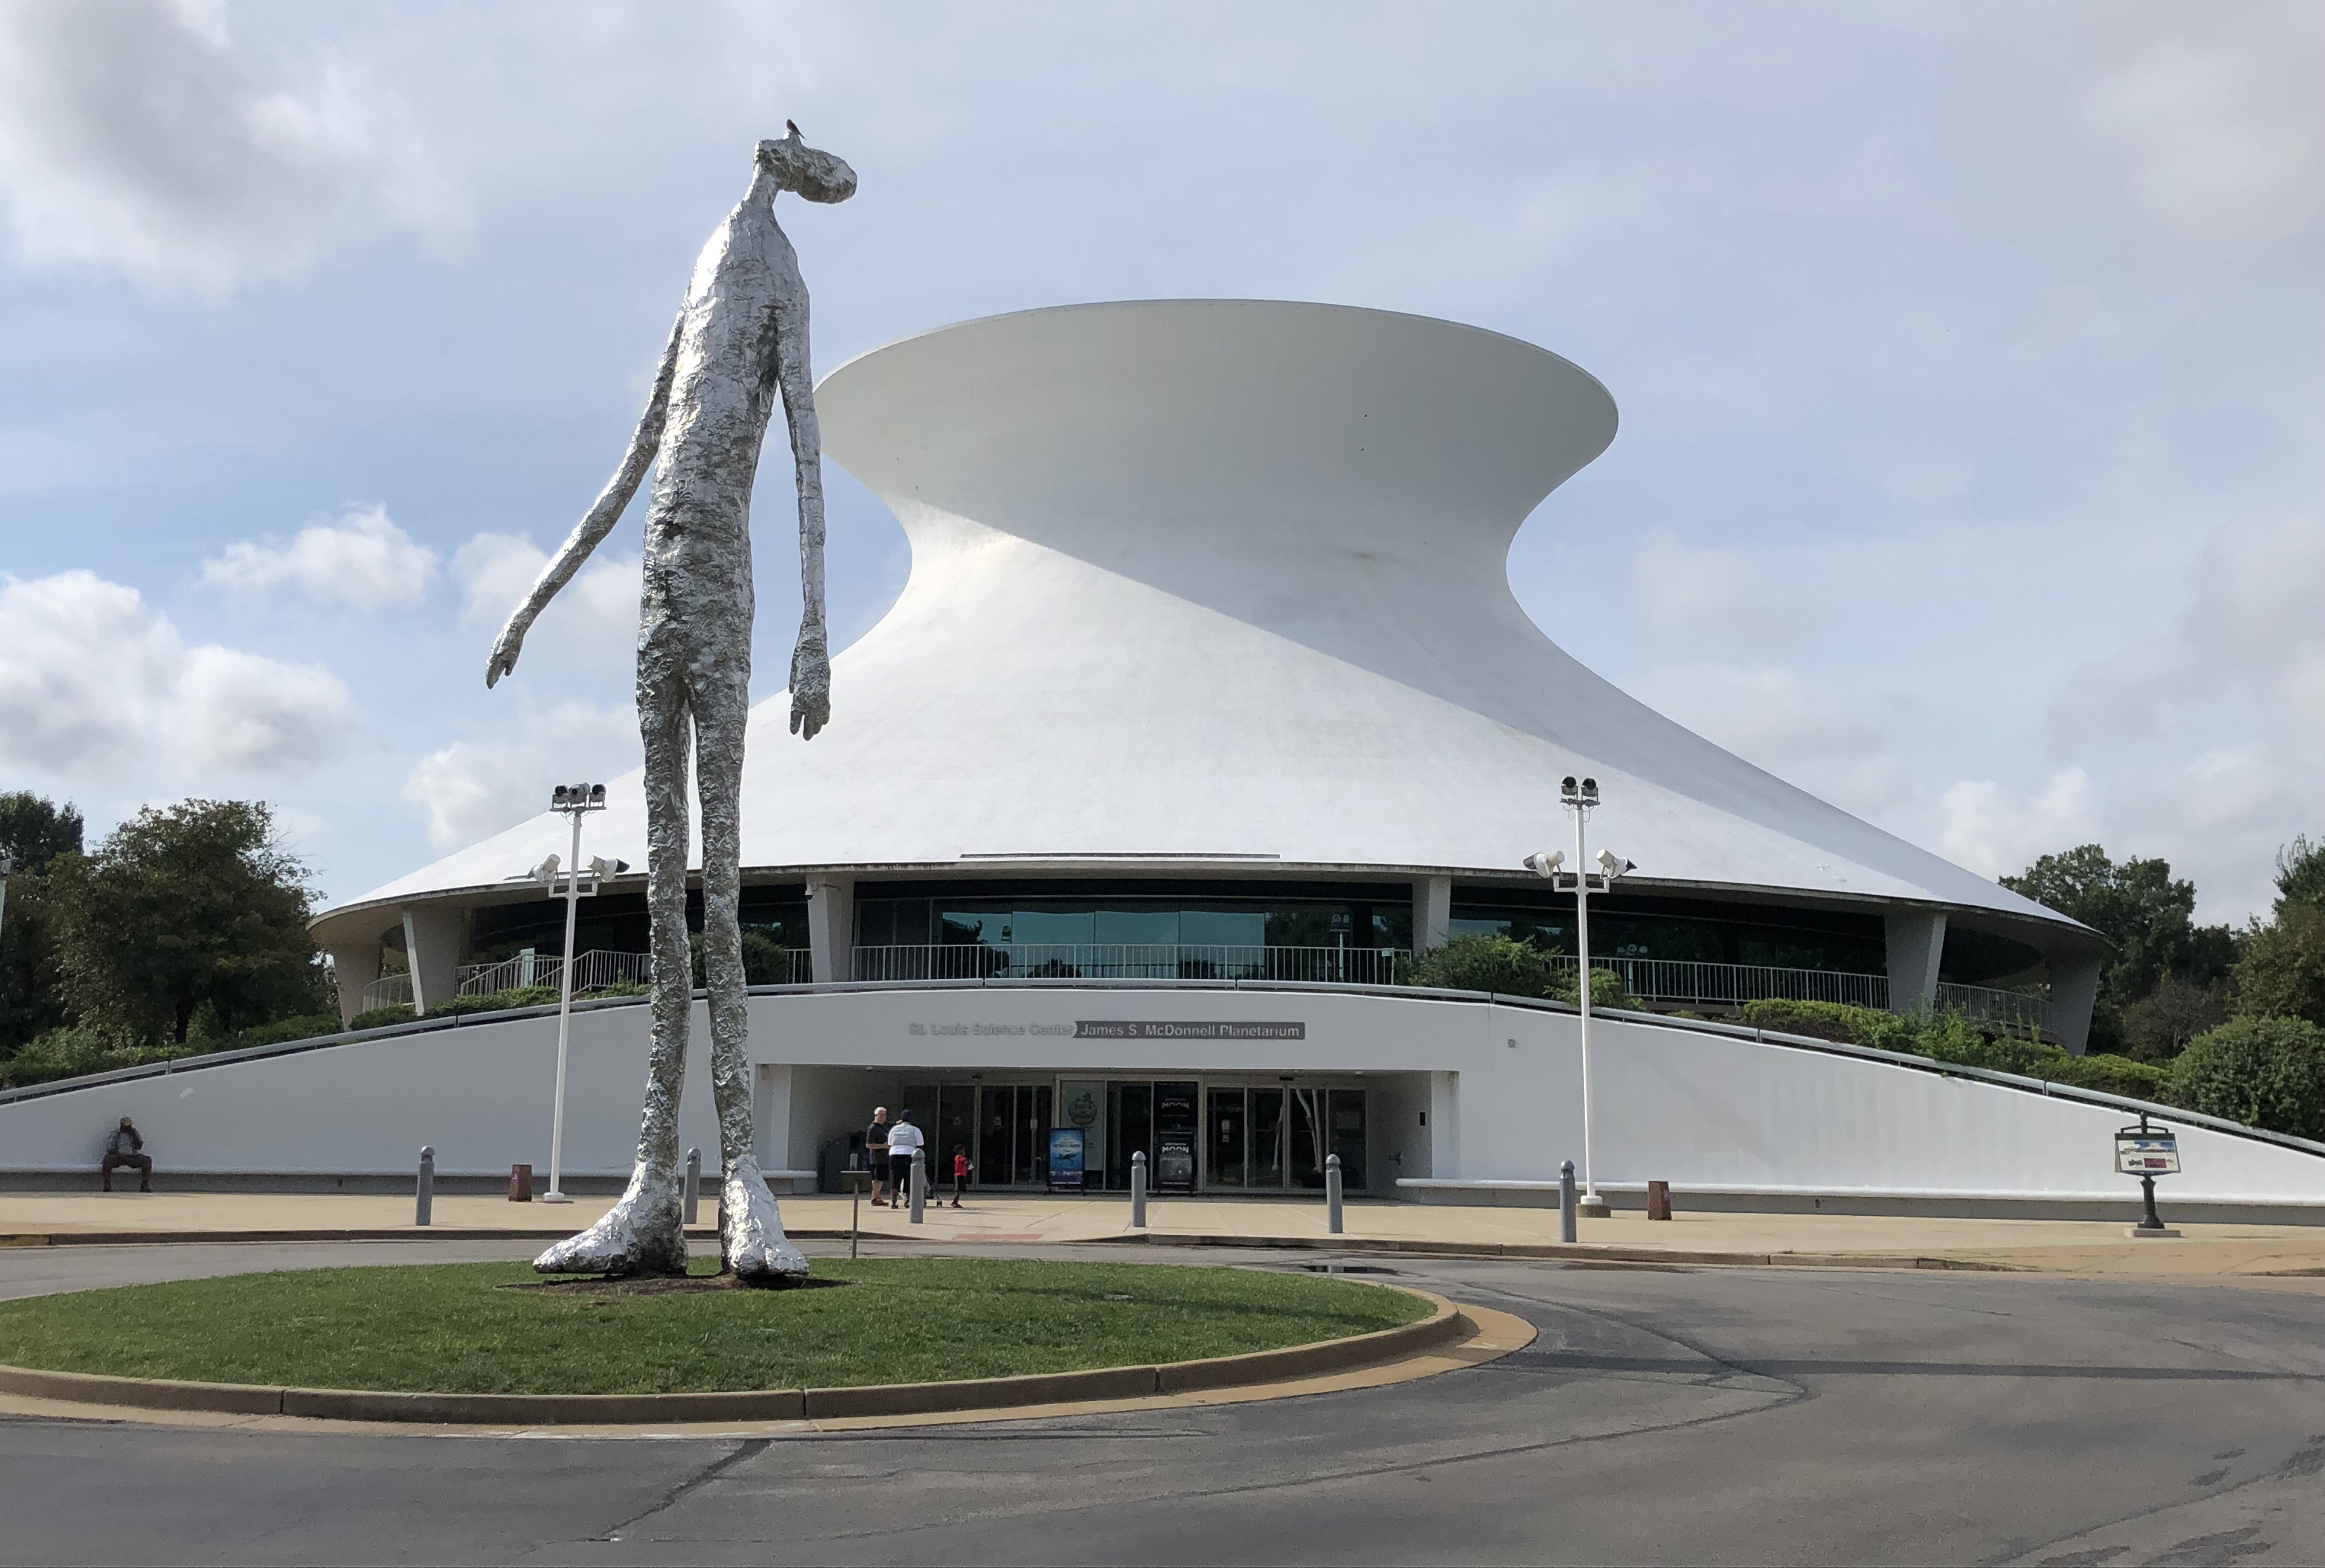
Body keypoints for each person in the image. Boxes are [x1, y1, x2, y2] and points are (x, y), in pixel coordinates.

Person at [885, 1110, 926, 1206]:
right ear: (911, 1119)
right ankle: (908, 1201)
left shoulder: (894, 1129)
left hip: (894, 1155)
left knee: (895, 1179)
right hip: (909, 1154)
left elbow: (890, 1143)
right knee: (909, 1178)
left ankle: (894, 1202)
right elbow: (920, 1145)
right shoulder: (915, 1130)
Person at [101, 1117, 152, 1193]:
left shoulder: (134, 1133)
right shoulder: (116, 1133)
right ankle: (107, 1184)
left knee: (147, 1160)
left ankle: (145, 1185)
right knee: (108, 1160)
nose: (127, 1129)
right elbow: (110, 1148)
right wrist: (117, 1153)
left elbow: (139, 1147)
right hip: (119, 1156)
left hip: (132, 1156)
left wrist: (134, 1136)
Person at [866, 1106, 893, 1206]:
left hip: (885, 1158)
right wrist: (883, 1146)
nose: (883, 1117)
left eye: (884, 1115)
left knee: (881, 1179)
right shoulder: (872, 1128)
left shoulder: (885, 1126)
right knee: (876, 1179)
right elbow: (868, 1145)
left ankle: (878, 1197)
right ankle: (874, 1198)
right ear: (876, 1115)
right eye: (881, 1115)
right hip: (876, 1158)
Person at [951, 1144, 970, 1209]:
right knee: (959, 1190)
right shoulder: (959, 1157)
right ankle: (955, 1202)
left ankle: (956, 1201)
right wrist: (968, 1162)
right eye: (964, 1151)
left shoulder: (958, 1158)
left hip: (962, 1175)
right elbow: (965, 1162)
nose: (964, 1153)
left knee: (961, 1189)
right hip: (960, 1175)